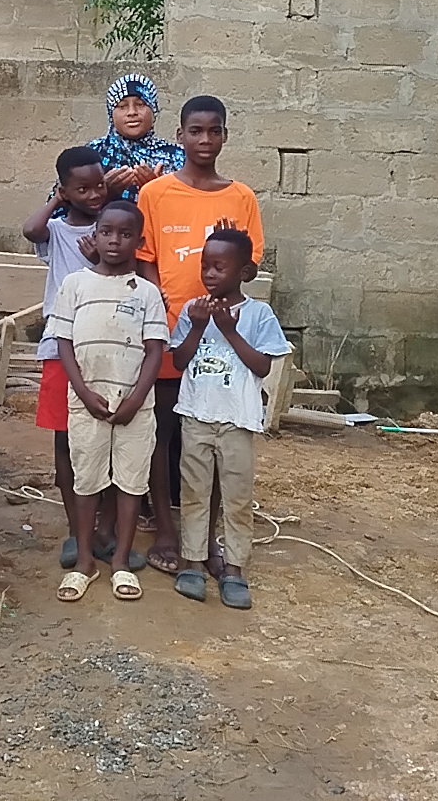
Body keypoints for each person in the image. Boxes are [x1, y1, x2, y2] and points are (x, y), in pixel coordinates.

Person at [134, 95, 265, 576]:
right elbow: (145, 259)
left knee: (210, 436)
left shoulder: (241, 198)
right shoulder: (156, 194)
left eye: (214, 131)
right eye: (195, 131)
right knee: (161, 431)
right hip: (171, 331)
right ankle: (166, 530)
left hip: (222, 342)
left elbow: (250, 265)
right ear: (180, 136)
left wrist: (233, 248)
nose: (205, 140)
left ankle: (204, 539)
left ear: (225, 135)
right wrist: (162, 312)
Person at [25, 147, 145, 576]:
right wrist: (57, 200)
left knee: (112, 441)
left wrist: (100, 255)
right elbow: (30, 229)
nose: (94, 195)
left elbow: (131, 278)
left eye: (99, 185)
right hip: (63, 351)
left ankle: (106, 531)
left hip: (114, 351)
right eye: (83, 188)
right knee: (67, 441)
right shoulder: (58, 231)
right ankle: (78, 531)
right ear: (64, 190)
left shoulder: (113, 230)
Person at [44, 200, 168, 603]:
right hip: (87, 401)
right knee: (86, 479)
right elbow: (63, 342)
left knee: (130, 482)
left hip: (135, 406)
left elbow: (154, 350)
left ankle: (120, 562)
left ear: (140, 242)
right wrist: (82, 391)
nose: (115, 240)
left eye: (125, 234)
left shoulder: (147, 292)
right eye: (107, 232)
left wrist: (136, 398)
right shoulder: (75, 285)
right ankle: (84, 562)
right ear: (94, 237)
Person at [167, 228, 291, 610]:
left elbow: (262, 365)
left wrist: (229, 331)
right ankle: (192, 561)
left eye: (219, 267)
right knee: (194, 492)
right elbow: (179, 360)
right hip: (196, 416)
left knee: (237, 497)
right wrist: (199, 326)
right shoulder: (194, 311)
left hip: (237, 421)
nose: (209, 273)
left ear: (244, 273)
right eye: (205, 265)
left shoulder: (259, 314)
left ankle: (234, 568)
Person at [51, 73, 187, 210]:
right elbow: (58, 213)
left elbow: (191, 209)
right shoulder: (92, 155)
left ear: (154, 109)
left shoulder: (177, 156)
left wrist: (156, 189)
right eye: (122, 106)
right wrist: (104, 192)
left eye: (140, 104)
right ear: (111, 113)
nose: (132, 112)